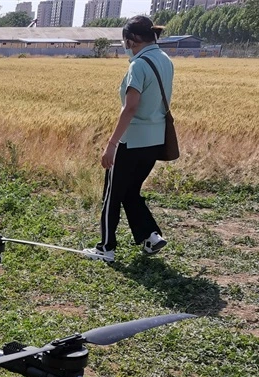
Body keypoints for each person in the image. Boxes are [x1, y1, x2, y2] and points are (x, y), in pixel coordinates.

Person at [83, 16, 174, 263]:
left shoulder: (139, 65)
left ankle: (106, 248)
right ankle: (151, 237)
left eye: (125, 39)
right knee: (131, 191)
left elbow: (130, 107)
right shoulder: (165, 60)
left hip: (131, 141)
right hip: (155, 141)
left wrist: (112, 144)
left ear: (132, 40)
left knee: (112, 195)